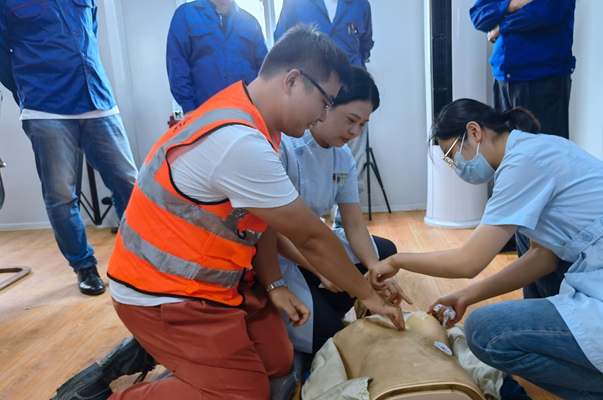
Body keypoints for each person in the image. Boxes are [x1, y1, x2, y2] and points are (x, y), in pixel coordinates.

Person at [52, 26, 403, 400]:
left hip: (218, 282)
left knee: (278, 365)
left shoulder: (255, 121)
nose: (322, 115)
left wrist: (274, 285)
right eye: (325, 102)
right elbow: (310, 237)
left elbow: (265, 223)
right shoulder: (240, 141)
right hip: (164, 292)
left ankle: (172, 356)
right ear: (292, 81)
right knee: (245, 394)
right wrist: (368, 295)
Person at [369, 99, 603, 399]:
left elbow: (468, 262)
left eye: (452, 154)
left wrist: (397, 260)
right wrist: (466, 296)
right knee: (523, 240)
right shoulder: (535, 150)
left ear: (474, 131)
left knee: (485, 331)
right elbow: (542, 258)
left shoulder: (524, 162)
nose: (457, 167)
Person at [0, 0, 138, 296]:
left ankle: (139, 257)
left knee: (129, 182)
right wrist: (28, 88)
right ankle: (84, 266)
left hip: (97, 98)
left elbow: (90, 31)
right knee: (61, 195)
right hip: (45, 106)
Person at [277, 66, 410, 354]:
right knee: (328, 339)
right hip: (284, 252)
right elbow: (275, 232)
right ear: (325, 104)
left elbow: (354, 223)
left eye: (363, 124)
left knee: (384, 254)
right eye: (351, 120)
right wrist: (322, 269)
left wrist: (377, 271)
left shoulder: (343, 156)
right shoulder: (285, 147)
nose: (355, 132)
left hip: (314, 244)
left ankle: (336, 300)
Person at [274, 0, 374, 194]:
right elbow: (282, 46)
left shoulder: (360, 4)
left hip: (352, 96)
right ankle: (308, 207)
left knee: (352, 163)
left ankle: (344, 207)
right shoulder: (295, 3)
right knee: (304, 160)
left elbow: (365, 47)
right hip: (309, 96)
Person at [470, 0, 575, 139]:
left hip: (541, 79)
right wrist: (510, 5)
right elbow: (478, 16)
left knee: (541, 148)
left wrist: (501, 26)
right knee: (505, 146)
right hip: (503, 79)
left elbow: (544, 13)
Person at [166, 0, 268, 114]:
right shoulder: (186, 15)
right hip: (204, 113)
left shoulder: (250, 22)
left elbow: (265, 71)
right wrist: (189, 108)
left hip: (246, 112)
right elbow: (178, 66)